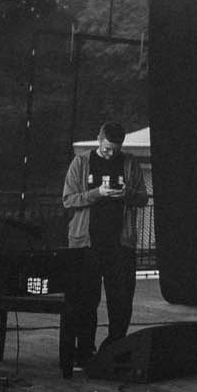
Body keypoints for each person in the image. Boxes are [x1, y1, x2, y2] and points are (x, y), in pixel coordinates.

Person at [60, 121, 144, 378]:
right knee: (86, 301)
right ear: (99, 139)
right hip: (87, 244)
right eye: (107, 148)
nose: (110, 153)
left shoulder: (130, 163)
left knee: (121, 301)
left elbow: (142, 197)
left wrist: (126, 194)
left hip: (120, 244)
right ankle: (84, 351)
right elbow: (68, 200)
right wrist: (97, 193)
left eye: (115, 149)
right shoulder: (80, 162)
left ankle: (114, 349)